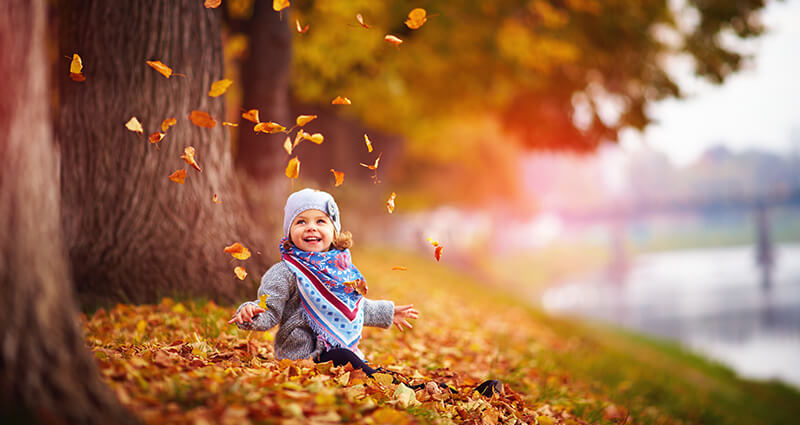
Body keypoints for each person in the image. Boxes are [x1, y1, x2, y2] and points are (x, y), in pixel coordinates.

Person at [229, 188, 501, 396]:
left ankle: (447, 392)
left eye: (320, 221)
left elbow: (354, 305)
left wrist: (387, 311)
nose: (311, 227)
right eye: (301, 222)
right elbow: (269, 307)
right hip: (303, 358)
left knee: (367, 370)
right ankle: (416, 389)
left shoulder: (340, 268)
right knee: (352, 362)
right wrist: (251, 312)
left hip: (336, 352)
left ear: (333, 231)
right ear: (289, 232)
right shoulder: (285, 271)